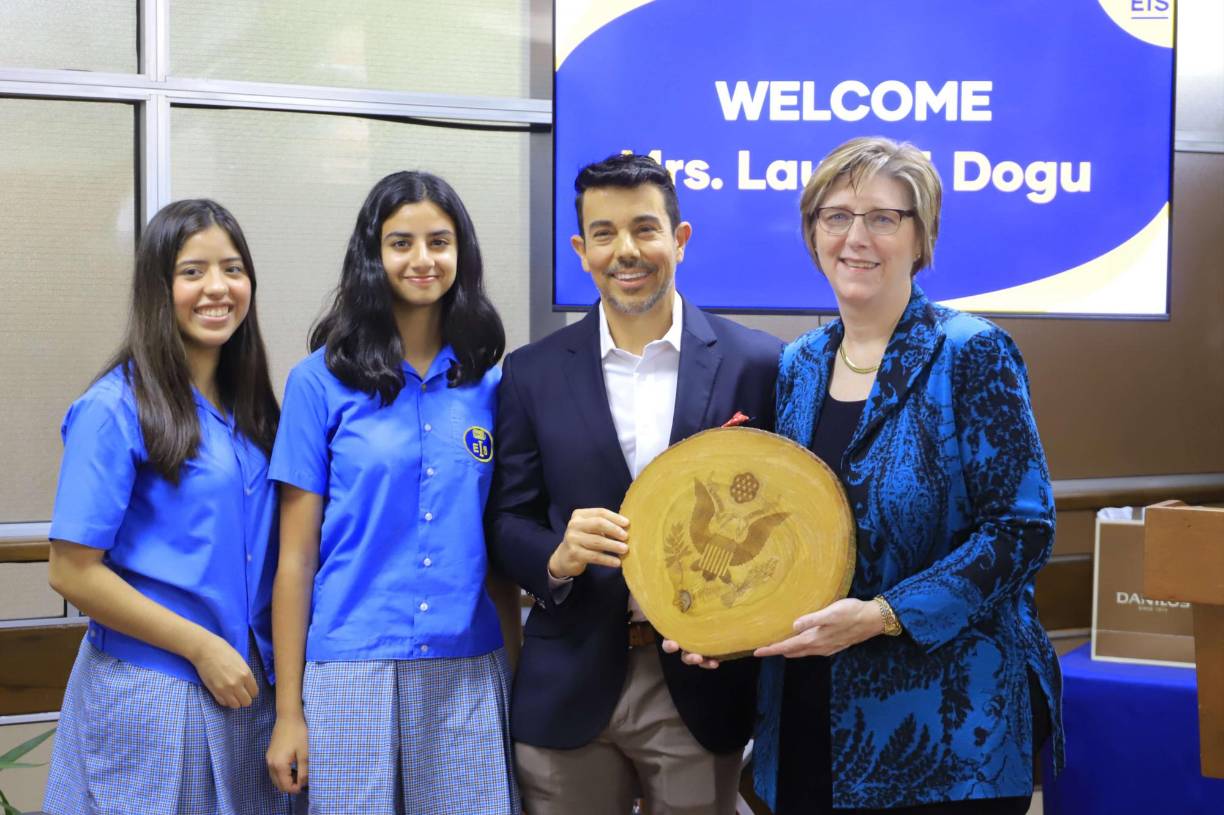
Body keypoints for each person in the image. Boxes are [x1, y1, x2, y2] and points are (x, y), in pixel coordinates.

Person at [750, 136, 1063, 814]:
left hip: (945, 735)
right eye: (836, 216)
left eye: (882, 218)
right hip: (808, 717)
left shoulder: (972, 352)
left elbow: (1021, 530)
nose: (855, 237)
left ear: (921, 237)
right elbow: (789, 527)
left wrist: (885, 615)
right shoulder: (799, 364)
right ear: (813, 233)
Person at [487, 153, 781, 814]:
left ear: (679, 238)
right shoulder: (531, 373)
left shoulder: (758, 363)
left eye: (645, 229)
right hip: (567, 683)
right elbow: (506, 522)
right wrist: (555, 555)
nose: (627, 250)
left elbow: (785, 516)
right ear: (581, 250)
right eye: (604, 233)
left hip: (702, 684)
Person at [264, 171, 518, 814]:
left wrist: (510, 686)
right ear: (372, 256)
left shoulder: (492, 385)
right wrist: (288, 712)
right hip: (349, 671)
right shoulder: (316, 384)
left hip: (467, 667)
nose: (423, 259)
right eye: (400, 242)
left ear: (462, 253)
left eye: (440, 241)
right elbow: (294, 560)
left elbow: (499, 549)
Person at [42, 200, 290, 815]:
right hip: (156, 689)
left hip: (246, 689)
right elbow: (71, 570)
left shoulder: (255, 411)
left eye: (232, 269)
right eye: (192, 272)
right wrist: (201, 647)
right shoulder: (113, 408)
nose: (217, 288)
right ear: (159, 289)